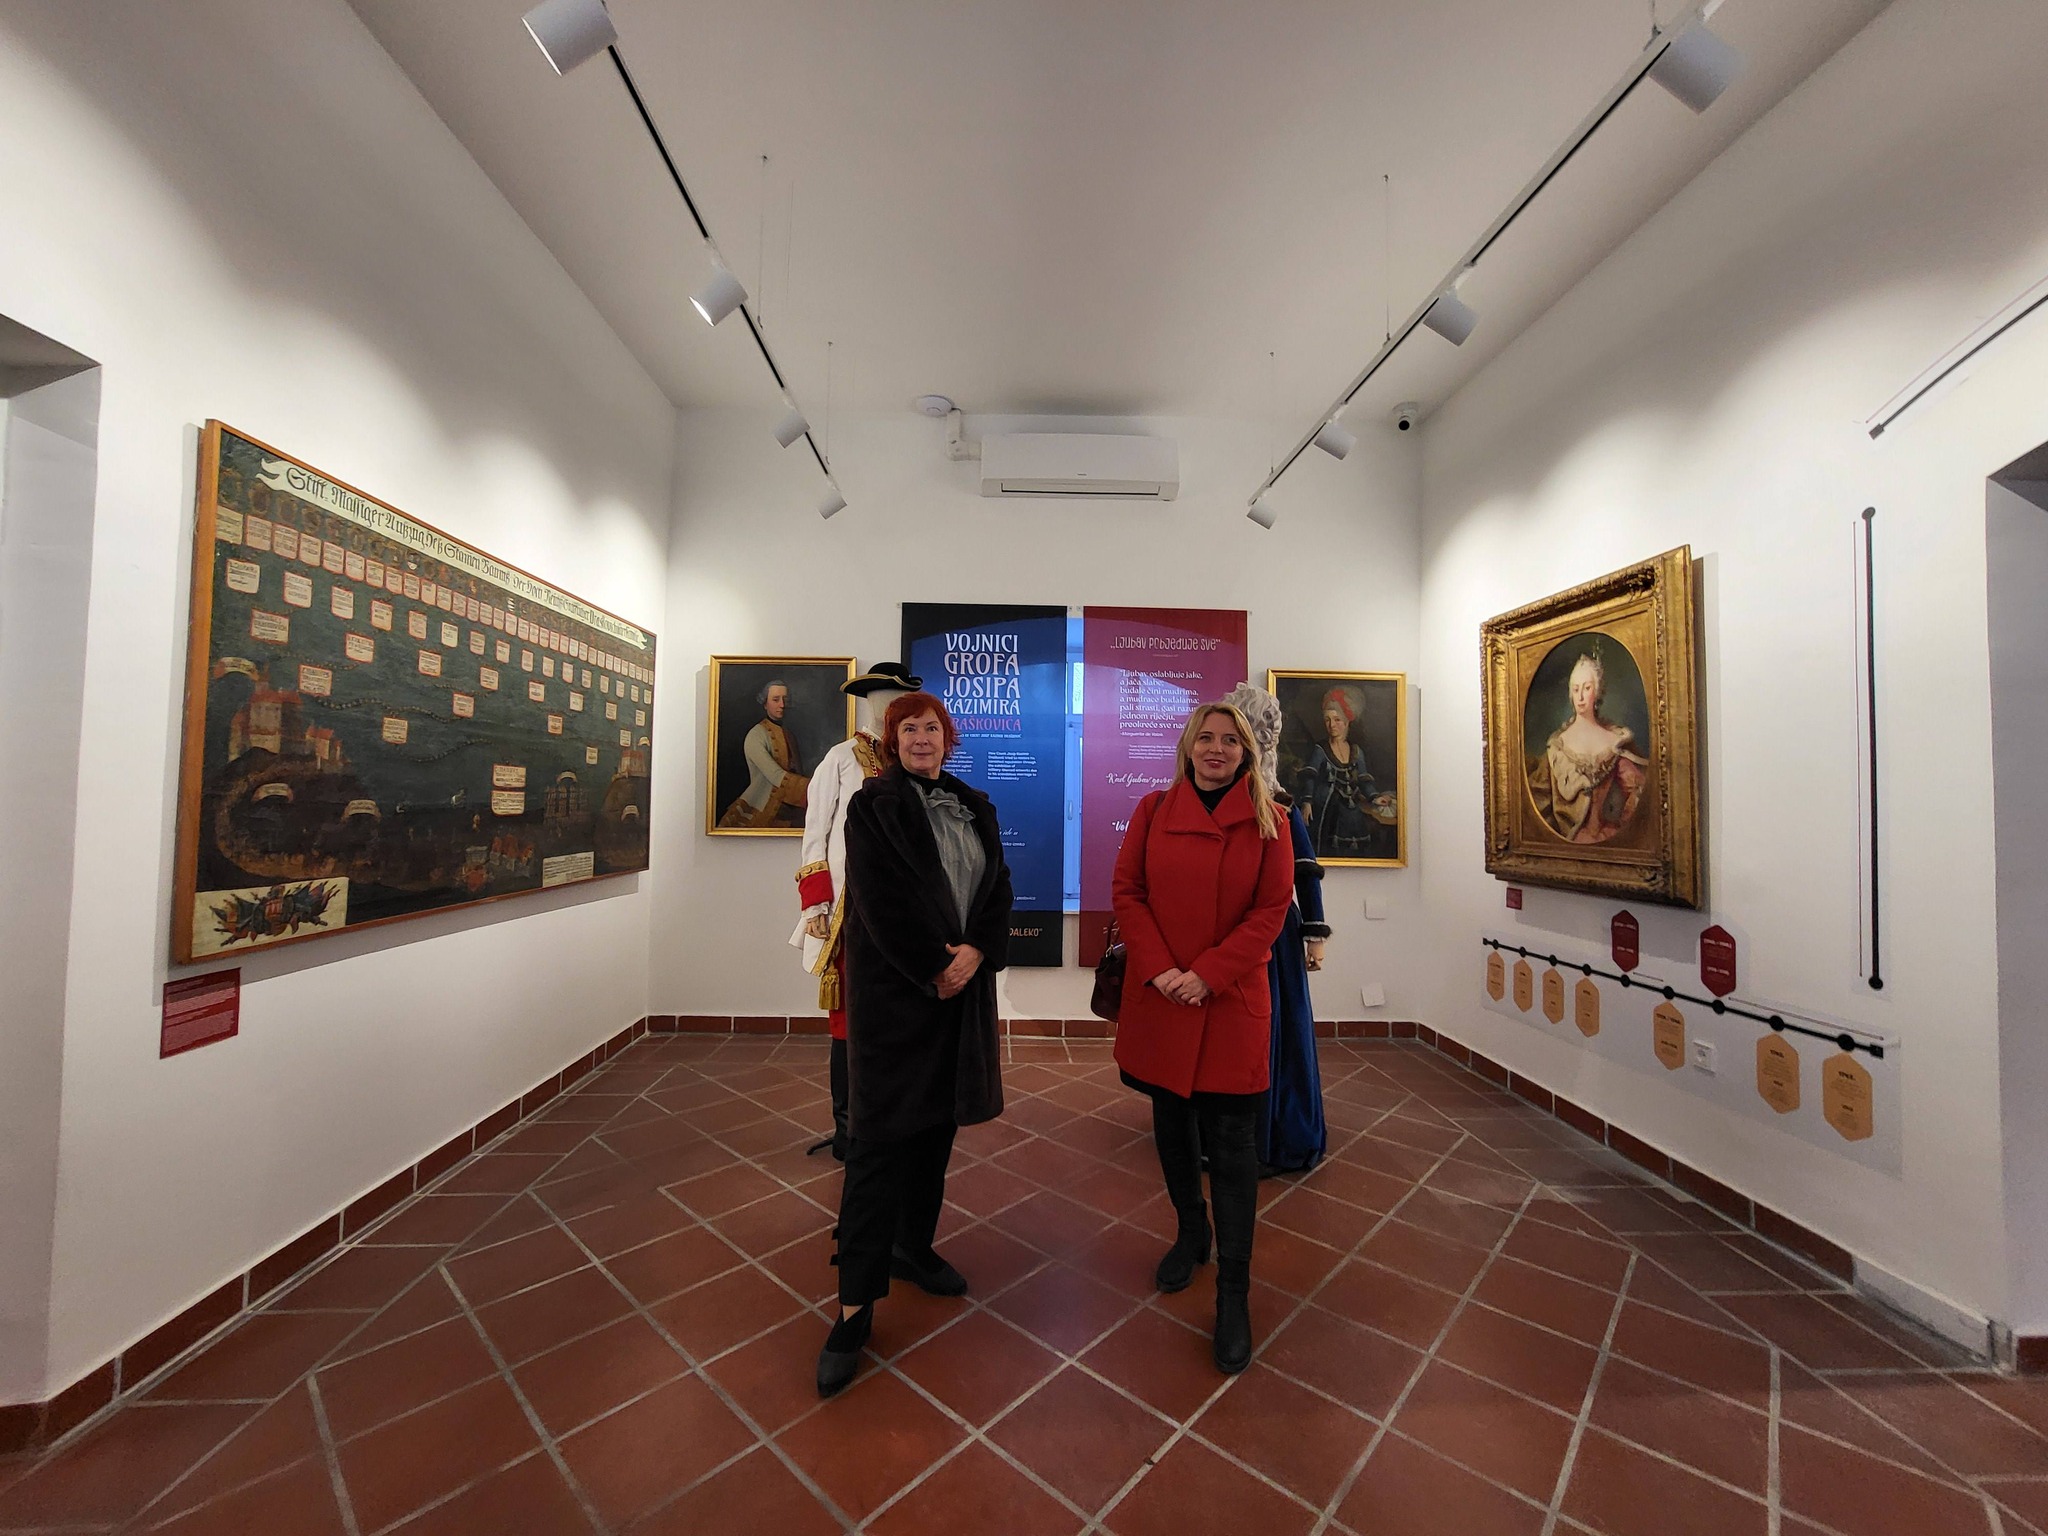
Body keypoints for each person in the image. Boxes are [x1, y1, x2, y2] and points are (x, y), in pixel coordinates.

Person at [816, 691, 1013, 1397]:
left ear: (947, 737)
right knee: (875, 1150)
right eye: (908, 730)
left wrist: (977, 951)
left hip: (960, 1000)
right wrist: (937, 966)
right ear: (891, 741)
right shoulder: (872, 806)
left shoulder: (975, 805)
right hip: (898, 1001)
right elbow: (879, 903)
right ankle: (853, 1308)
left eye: (931, 728)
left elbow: (998, 889)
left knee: (934, 1135)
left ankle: (913, 1247)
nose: (921, 739)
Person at [1111, 701, 1293, 1374]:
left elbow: (1270, 912)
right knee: (1171, 1122)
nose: (1216, 749)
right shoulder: (1153, 810)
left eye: (1230, 740)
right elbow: (1127, 891)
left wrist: (1208, 975)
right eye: (1205, 738)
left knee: (1235, 1145)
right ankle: (1192, 1232)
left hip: (1229, 1000)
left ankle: (1234, 1294)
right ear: (1188, 747)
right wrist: (1162, 969)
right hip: (1164, 997)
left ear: (1246, 752)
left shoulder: (1272, 821)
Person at [791, 663, 921, 1160]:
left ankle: (894, 1119)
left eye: (897, 699)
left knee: (900, 1015)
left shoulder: (913, 759)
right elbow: (815, 834)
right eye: (881, 697)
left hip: (903, 910)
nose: (888, 707)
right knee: (847, 1022)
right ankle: (848, 1128)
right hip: (851, 910)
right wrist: (816, 902)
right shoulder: (841, 758)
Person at [1219, 684, 1331, 1177]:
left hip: (1273, 937)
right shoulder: (1211, 801)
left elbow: (1305, 872)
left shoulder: (1279, 806)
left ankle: (1271, 1134)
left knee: (1273, 1029)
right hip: (1221, 930)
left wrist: (1314, 935)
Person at [1528, 649, 1648, 843]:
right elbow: (1541, 803)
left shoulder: (1614, 741)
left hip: (1607, 842)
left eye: (1587, 688)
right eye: (1576, 690)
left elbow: (1637, 790)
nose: (1581, 697)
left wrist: (1617, 830)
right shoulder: (1558, 746)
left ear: (1597, 691)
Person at [1297, 685, 1396, 861]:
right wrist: (1307, 802)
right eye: (1327, 720)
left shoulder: (1356, 751)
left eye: (1337, 720)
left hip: (1352, 811)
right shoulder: (1320, 749)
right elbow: (1310, 776)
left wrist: (1374, 797)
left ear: (1347, 721)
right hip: (1327, 810)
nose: (1331, 725)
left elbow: (1364, 780)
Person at [718, 679, 809, 828]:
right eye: (776, 699)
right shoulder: (756, 735)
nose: (782, 705)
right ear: (765, 703)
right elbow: (775, 775)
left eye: (785, 699)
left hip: (791, 808)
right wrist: (813, 788)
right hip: (762, 808)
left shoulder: (789, 735)